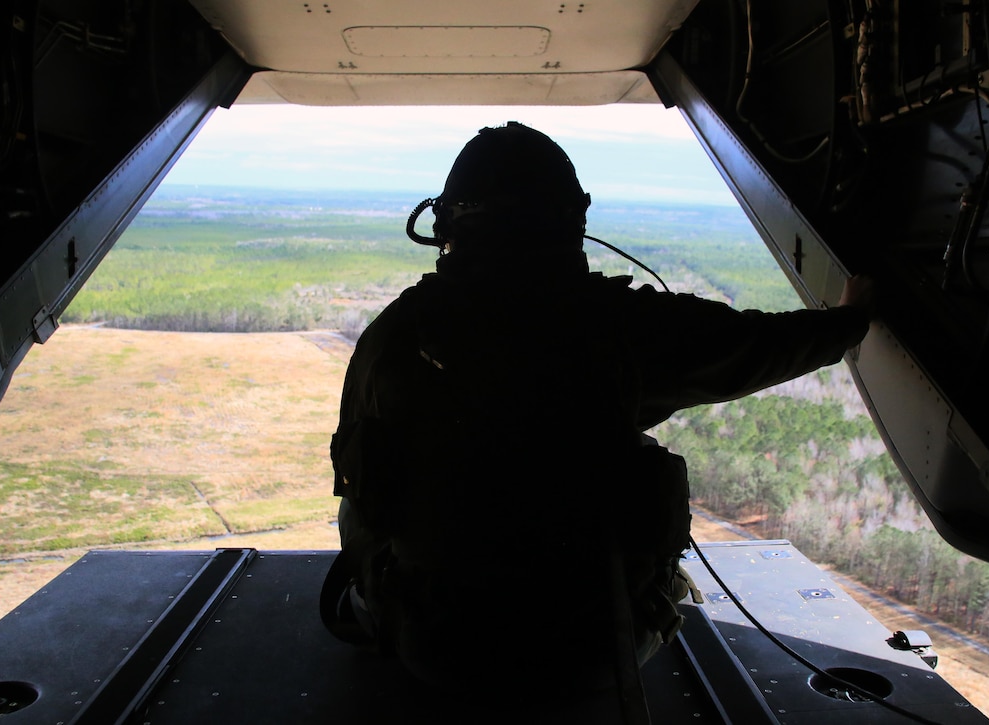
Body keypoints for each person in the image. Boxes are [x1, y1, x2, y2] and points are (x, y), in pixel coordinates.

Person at [321, 121, 873, 697]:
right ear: (572, 222)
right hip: (591, 650)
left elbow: (363, 496)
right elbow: (754, 347)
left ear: (446, 224)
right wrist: (848, 319)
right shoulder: (619, 328)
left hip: (434, 648)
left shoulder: (393, 335)